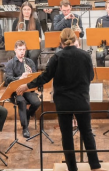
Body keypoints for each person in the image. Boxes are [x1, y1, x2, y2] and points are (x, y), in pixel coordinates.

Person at [16, 28, 102, 171]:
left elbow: (45, 77)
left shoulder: (57, 57)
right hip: (81, 99)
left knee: (67, 136)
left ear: (61, 42)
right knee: (87, 132)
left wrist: (27, 85)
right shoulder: (85, 56)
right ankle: (95, 166)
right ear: (75, 40)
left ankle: (72, 168)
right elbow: (91, 77)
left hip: (63, 101)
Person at [4, 40, 41, 139]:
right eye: (20, 49)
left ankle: (28, 114)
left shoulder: (29, 62)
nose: (22, 52)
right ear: (15, 50)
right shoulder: (10, 64)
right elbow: (8, 80)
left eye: (24, 49)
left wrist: (30, 77)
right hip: (15, 92)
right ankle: (25, 127)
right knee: (22, 102)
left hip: (27, 89)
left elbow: (35, 77)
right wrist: (20, 78)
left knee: (37, 102)